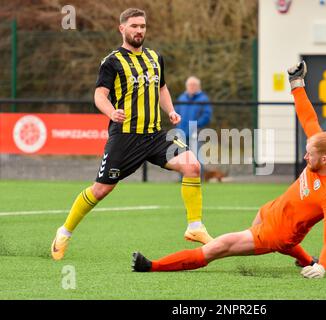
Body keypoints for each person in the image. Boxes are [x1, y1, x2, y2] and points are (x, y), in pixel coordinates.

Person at [131, 61, 326, 279]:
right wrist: (296, 82)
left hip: (276, 235)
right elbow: (308, 118)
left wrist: (322, 268)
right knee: (245, 236)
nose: (305, 156)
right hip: (269, 211)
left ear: (325, 158)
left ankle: (151, 266)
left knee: (219, 247)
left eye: (310, 154)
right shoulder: (322, 147)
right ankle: (307, 260)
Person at [51, 8, 213, 261]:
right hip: (125, 137)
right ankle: (64, 232)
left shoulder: (155, 57)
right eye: (134, 26)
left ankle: (195, 227)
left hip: (155, 135)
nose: (139, 30)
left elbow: (162, 87)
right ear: (122, 29)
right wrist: (111, 112)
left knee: (192, 165)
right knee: (101, 190)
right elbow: (99, 95)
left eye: (143, 26)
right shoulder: (112, 61)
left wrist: (170, 111)